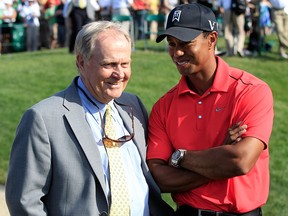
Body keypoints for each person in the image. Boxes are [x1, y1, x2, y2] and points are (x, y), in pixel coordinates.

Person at [5, 20, 174, 216]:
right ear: (81, 62)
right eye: (109, 64)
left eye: (125, 63)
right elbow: (25, 201)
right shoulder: (43, 118)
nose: (119, 74)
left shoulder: (133, 106)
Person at [146, 3, 274, 216]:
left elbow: (240, 161)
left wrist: (180, 158)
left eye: (186, 43)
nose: (177, 52)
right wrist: (219, 157)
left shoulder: (251, 91)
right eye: (171, 44)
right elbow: (159, 178)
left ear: (212, 39)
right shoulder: (164, 106)